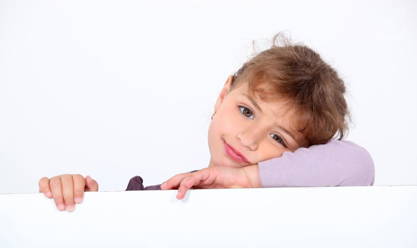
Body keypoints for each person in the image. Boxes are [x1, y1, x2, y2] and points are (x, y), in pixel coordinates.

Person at [38, 33, 375, 212]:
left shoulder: (299, 213)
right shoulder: (157, 200)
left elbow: (357, 164)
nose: (248, 139)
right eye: (246, 111)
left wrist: (244, 179)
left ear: (305, 157)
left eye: (278, 138)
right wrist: (84, 208)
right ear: (222, 95)